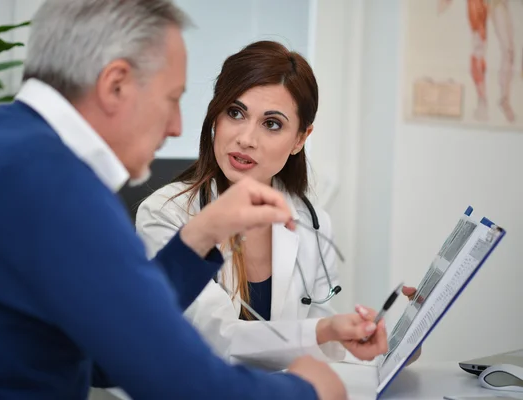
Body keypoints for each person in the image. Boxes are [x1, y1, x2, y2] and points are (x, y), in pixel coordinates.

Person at [0, 1, 378, 399]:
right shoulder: (55, 186)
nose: (179, 126)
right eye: (172, 98)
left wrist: (196, 238)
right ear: (116, 84)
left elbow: (105, 349)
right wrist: (308, 391)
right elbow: (182, 384)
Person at [136, 40, 405, 371]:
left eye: (272, 123)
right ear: (215, 116)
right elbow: (216, 339)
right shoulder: (165, 213)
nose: (246, 138)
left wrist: (385, 345)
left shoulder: (313, 223)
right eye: (235, 113)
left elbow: (314, 338)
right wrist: (324, 332)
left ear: (300, 139)